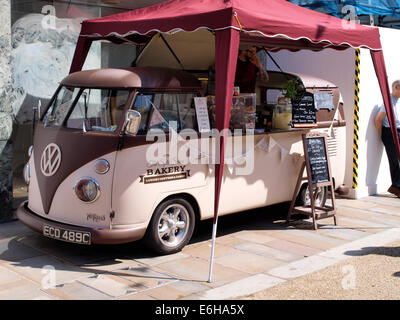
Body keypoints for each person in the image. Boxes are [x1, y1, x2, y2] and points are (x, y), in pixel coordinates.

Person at [374, 80, 400, 197]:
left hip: (398, 131)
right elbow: (378, 119)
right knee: (394, 160)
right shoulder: (388, 102)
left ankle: (396, 185)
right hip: (390, 133)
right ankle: (397, 187)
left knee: (395, 160)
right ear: (396, 88)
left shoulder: (397, 101)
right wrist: (382, 136)